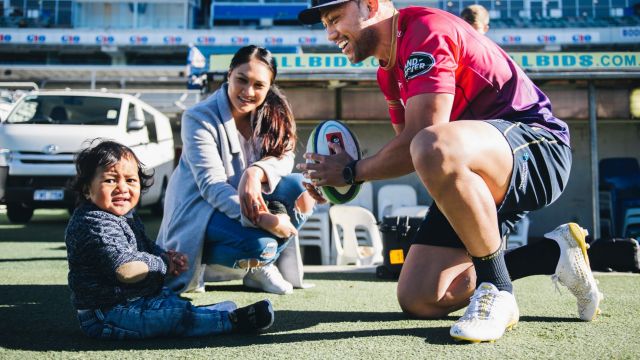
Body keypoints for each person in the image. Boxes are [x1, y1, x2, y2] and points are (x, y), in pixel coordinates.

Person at [297, 0, 602, 342]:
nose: (329, 33)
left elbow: (423, 141)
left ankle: (498, 291)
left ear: (370, 6)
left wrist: (352, 172)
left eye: (335, 19)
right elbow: (411, 152)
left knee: (433, 145)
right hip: (479, 167)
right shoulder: (387, 71)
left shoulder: (426, 30)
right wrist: (335, 178)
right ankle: (549, 253)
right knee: (422, 297)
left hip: (540, 148)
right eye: (325, 23)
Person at [65, 139, 274, 339]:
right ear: (86, 190)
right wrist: (163, 263)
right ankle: (229, 321)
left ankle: (198, 313)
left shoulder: (124, 216)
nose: (122, 188)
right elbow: (125, 269)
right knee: (172, 316)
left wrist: (164, 256)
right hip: (107, 314)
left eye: (130, 180)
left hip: (134, 299)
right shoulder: (94, 223)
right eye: (110, 180)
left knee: (168, 297)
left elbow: (144, 248)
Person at [157, 45, 318, 295]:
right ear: (229, 73)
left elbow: (285, 159)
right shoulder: (198, 117)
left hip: (247, 205)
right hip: (200, 212)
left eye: (258, 85)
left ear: (269, 86)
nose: (248, 92)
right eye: (242, 80)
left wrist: (256, 172)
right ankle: (202, 262)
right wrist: (266, 220)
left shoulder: (273, 112)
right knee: (261, 245)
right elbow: (212, 187)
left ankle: (260, 269)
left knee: (302, 189)